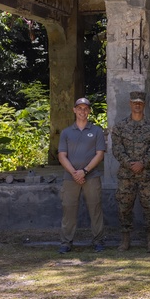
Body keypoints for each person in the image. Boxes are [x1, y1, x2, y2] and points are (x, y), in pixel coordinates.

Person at [111, 90, 150, 252]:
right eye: (134, 103)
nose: (137, 105)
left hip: (146, 174)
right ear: (130, 104)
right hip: (126, 175)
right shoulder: (120, 127)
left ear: (144, 105)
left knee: (149, 206)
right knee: (124, 206)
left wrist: (142, 163)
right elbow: (117, 149)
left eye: (140, 103)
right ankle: (125, 239)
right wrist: (130, 163)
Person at [56, 97, 106, 254]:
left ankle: (98, 241)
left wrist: (84, 171)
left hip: (91, 176)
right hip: (70, 178)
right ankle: (66, 242)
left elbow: (100, 155)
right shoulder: (66, 132)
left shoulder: (97, 131)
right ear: (74, 110)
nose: (82, 111)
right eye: (80, 108)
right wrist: (74, 173)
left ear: (89, 111)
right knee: (68, 210)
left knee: (95, 209)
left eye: (86, 108)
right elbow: (62, 155)